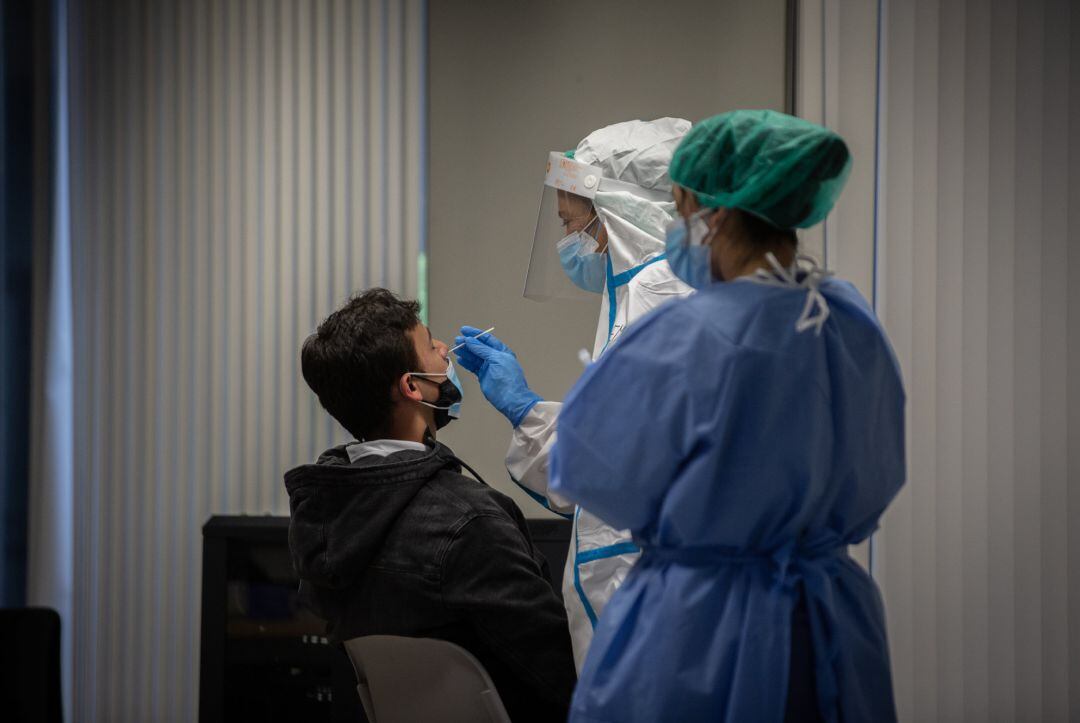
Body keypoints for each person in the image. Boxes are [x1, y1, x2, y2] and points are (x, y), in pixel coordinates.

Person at [548, 110, 906, 722]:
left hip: (704, 626)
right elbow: (879, 469)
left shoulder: (685, 334)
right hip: (830, 623)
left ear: (696, 208)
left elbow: (585, 471)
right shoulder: (850, 324)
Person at [454, 118, 694, 670]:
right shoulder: (639, 296)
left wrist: (524, 411)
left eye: (573, 223)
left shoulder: (660, 300)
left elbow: (613, 469)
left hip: (649, 603)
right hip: (638, 592)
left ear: (621, 211)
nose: (569, 243)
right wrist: (529, 413)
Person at [284, 288, 576, 723]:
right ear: (412, 386)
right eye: (431, 343)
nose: (445, 350)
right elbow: (565, 681)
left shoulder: (323, 516)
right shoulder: (470, 522)